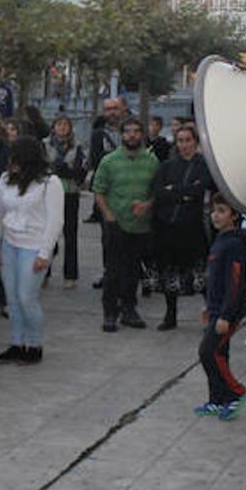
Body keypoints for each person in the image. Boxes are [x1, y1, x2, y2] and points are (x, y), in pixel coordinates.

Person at [0, 138, 64, 365]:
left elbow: (55, 220)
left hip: (34, 247)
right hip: (10, 244)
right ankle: (16, 342)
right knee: (12, 299)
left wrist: (45, 253)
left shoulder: (50, 183)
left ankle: (34, 344)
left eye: (16, 157)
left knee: (26, 297)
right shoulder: (5, 179)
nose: (11, 161)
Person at [93, 117, 158, 331]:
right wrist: (108, 215)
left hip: (141, 226)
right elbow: (99, 191)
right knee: (113, 271)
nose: (132, 135)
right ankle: (110, 312)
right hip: (115, 224)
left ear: (142, 134)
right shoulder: (109, 161)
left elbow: (157, 192)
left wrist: (148, 205)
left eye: (136, 131)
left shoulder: (151, 161)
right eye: (127, 131)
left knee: (133, 270)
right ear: (121, 135)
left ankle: (129, 310)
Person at [150, 124, 212, 330]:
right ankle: (170, 315)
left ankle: (211, 312)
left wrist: (175, 190)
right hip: (168, 228)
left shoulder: (204, 165)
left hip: (192, 228)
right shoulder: (167, 166)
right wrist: (181, 193)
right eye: (180, 140)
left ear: (195, 141)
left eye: (188, 140)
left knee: (200, 274)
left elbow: (199, 189)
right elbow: (159, 192)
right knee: (170, 273)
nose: (184, 145)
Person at [195, 198, 246, 420]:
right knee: (220, 353)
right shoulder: (221, 239)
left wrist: (226, 314)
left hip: (228, 311)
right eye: (213, 211)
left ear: (234, 216)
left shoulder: (235, 244)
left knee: (208, 352)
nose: (215, 216)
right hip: (216, 308)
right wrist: (209, 306)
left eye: (221, 211)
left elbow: (235, 282)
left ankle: (236, 392)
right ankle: (216, 399)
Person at [43, 116, 87, 287]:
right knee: (47, 233)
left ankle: (70, 275)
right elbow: (43, 167)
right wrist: (63, 169)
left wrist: (60, 169)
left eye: (65, 125)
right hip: (48, 193)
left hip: (70, 193)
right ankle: (44, 272)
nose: (62, 128)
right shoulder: (44, 144)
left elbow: (80, 171)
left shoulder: (78, 146)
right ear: (53, 127)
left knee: (70, 235)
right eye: (59, 124)